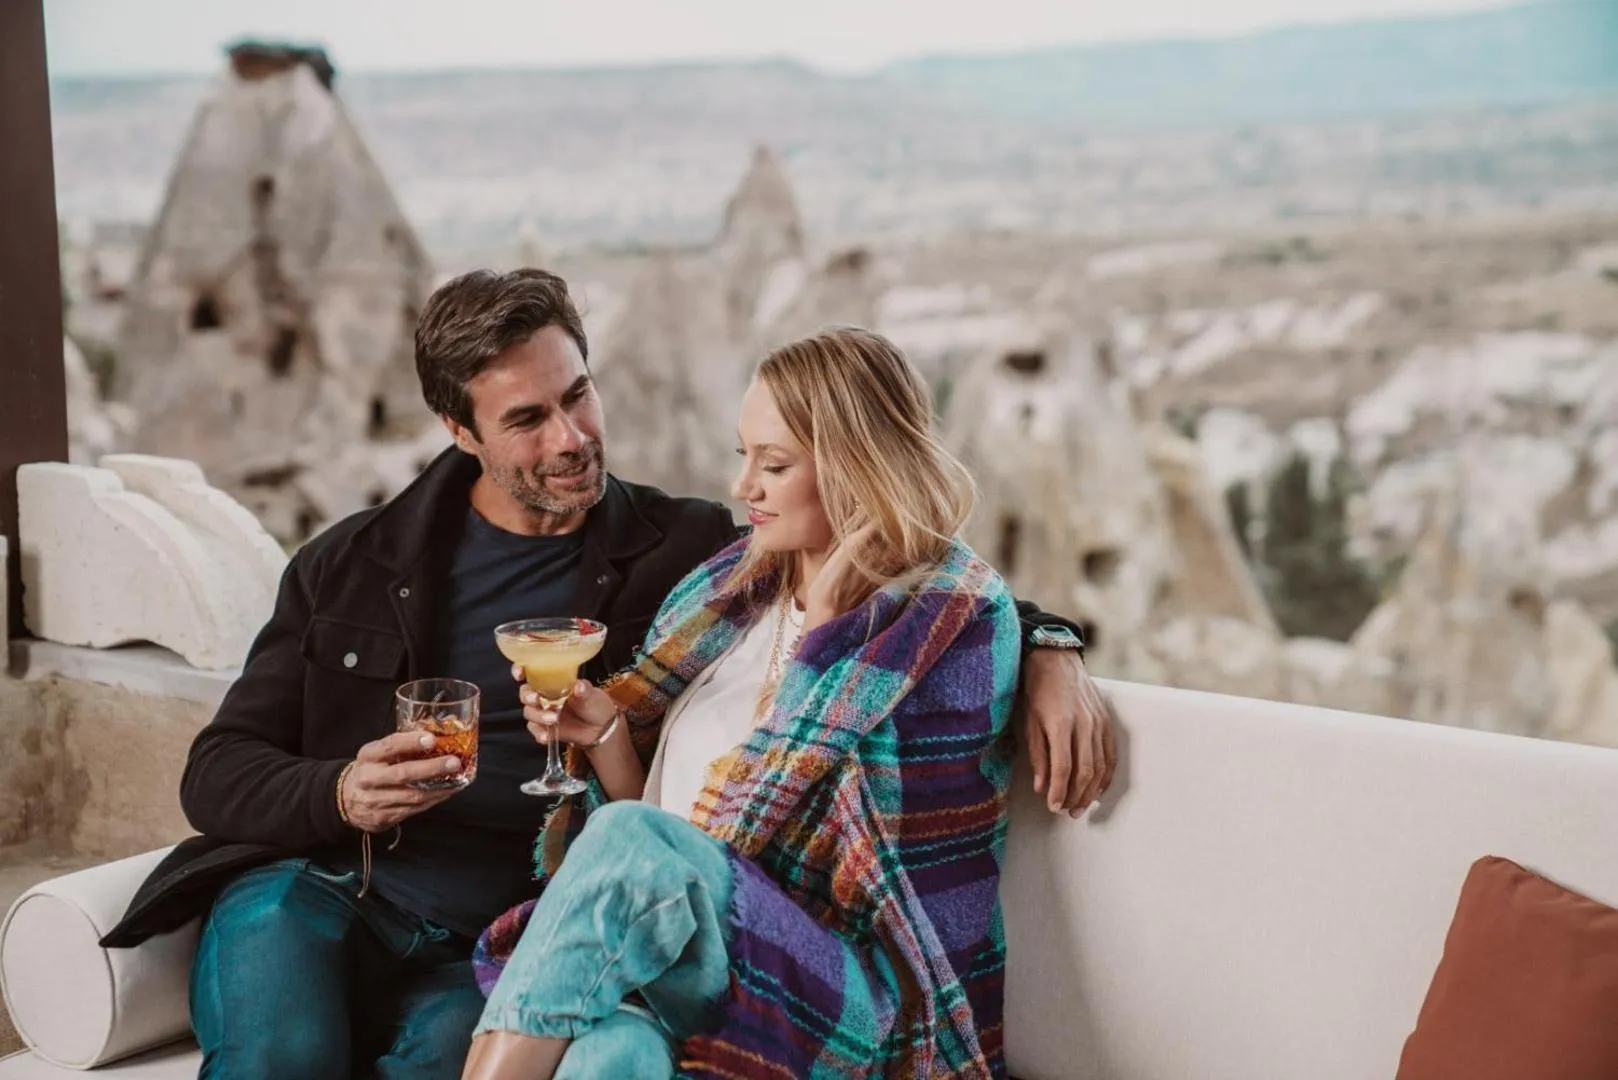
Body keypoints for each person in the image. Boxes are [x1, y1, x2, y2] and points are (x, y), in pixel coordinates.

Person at [100, 270, 1114, 1079]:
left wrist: (1050, 646)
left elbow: (885, 577)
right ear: (461, 433)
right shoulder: (350, 564)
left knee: (440, 1058)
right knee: (283, 1052)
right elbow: (218, 770)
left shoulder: (692, 556)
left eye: (577, 395)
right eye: (527, 420)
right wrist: (340, 790)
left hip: (501, 918)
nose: (572, 437)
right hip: (323, 884)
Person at [464, 327, 1018, 1079]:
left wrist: (826, 626)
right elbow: (689, 836)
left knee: (628, 844)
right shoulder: (728, 592)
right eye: (743, 456)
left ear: (859, 467)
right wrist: (609, 741)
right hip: (711, 959)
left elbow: (743, 828)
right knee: (609, 1053)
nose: (743, 486)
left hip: (859, 996)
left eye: (775, 464)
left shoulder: (950, 619)